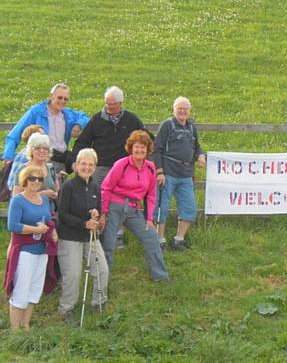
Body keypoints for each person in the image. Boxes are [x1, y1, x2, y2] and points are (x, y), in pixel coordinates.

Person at [72, 86, 146, 250]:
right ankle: (96, 232)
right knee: (96, 198)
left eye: (112, 104)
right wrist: (75, 163)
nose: (109, 107)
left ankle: (117, 233)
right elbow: (82, 141)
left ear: (121, 103)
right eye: (107, 103)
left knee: (119, 201)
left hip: (125, 169)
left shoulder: (132, 120)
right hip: (102, 167)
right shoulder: (97, 120)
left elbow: (146, 139)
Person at [99, 130, 169, 282]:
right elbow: (106, 188)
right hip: (114, 206)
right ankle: (102, 281)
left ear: (148, 150)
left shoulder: (150, 167)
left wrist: (149, 218)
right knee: (109, 244)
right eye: (137, 147)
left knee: (152, 237)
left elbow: (151, 195)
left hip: (133, 210)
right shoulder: (121, 164)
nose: (140, 150)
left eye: (143, 147)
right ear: (131, 148)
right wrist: (103, 213)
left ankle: (160, 277)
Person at [3, 165, 58, 330]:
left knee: (34, 288)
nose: (36, 182)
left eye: (39, 179)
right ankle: (15, 329)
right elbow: (12, 225)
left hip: (42, 250)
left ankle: (26, 325)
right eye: (32, 178)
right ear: (25, 180)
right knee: (21, 288)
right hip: (25, 251)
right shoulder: (18, 200)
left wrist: (53, 230)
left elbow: (48, 220)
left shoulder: (45, 200)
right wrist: (36, 230)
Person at [57, 148, 109, 322]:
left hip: (89, 236)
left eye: (91, 164)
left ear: (95, 167)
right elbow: (62, 214)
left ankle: (98, 302)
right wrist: (83, 223)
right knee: (72, 274)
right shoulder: (68, 186)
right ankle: (66, 309)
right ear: (77, 165)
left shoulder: (95, 186)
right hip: (70, 236)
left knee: (102, 269)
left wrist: (95, 214)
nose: (87, 167)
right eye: (83, 164)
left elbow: (98, 208)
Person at [152, 96, 205, 251]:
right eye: (179, 108)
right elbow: (157, 149)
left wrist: (200, 155)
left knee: (190, 208)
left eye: (185, 109)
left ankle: (178, 239)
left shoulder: (191, 127)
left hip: (186, 175)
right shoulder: (167, 125)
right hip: (168, 173)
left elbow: (197, 147)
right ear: (173, 109)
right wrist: (159, 171)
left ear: (189, 111)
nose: (182, 111)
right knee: (162, 207)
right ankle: (159, 239)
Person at [2, 83, 89, 175]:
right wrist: (8, 156)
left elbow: (84, 116)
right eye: (59, 98)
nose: (62, 101)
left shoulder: (68, 114)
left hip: (61, 161)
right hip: (42, 159)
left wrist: (78, 125)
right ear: (51, 96)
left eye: (65, 99)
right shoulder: (36, 111)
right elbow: (15, 134)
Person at [12, 134, 59, 214]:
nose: (42, 150)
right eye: (37, 148)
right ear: (31, 150)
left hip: (49, 215)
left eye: (45, 148)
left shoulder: (50, 168)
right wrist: (40, 195)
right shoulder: (23, 170)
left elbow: (57, 189)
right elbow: (16, 198)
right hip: (29, 216)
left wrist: (56, 194)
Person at [7, 125, 45, 193]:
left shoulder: (24, 152)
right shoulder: (27, 156)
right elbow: (19, 183)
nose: (45, 138)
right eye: (41, 136)